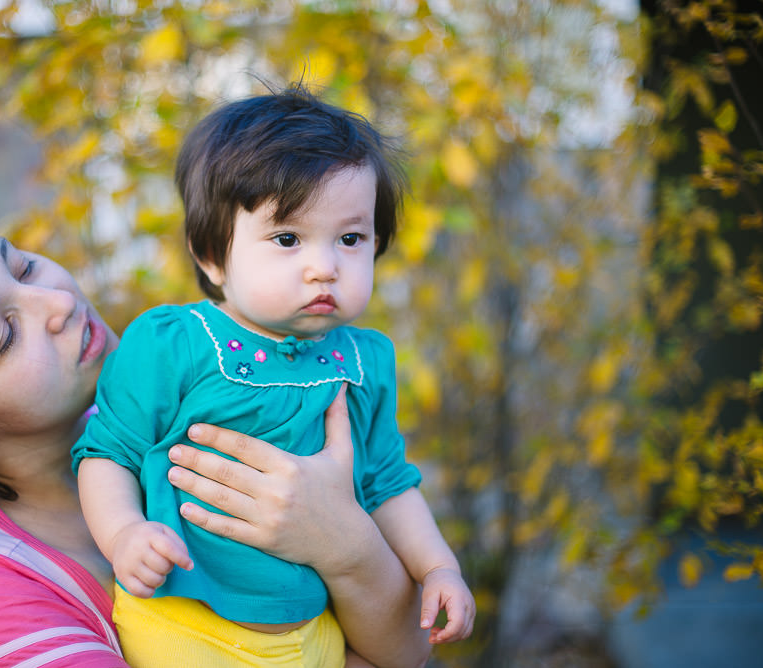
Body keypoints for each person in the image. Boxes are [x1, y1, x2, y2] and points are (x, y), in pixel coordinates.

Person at [0, 190, 433, 668]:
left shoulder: (185, 418)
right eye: (3, 334)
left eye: (22, 265)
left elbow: (412, 654)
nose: (56, 301)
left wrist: (347, 546)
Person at [73, 85, 476, 668]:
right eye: (287, 239)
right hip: (186, 624)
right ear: (212, 256)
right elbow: (108, 452)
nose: (324, 267)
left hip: (315, 634)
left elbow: (389, 484)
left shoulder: (364, 362)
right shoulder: (174, 343)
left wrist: (438, 567)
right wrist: (124, 534)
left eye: (350, 238)